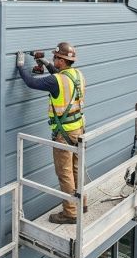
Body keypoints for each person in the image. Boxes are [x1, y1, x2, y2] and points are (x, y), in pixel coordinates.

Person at [16, 42, 87, 224]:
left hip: (64, 134)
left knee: (65, 173)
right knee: (77, 169)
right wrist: (47, 64)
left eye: (55, 57)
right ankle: (82, 204)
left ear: (62, 61)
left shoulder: (56, 80)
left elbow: (32, 82)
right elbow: (61, 79)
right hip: (78, 129)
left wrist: (21, 66)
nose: (53, 59)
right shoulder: (77, 75)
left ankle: (70, 213)